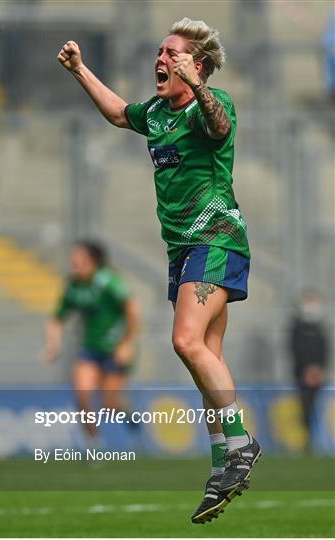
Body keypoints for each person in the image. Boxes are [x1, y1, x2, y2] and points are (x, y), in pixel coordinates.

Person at [58, 18, 261, 524]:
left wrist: (196, 82)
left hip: (214, 239)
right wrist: (82, 71)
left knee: (186, 342)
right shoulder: (157, 113)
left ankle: (241, 443)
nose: (162, 59)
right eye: (161, 51)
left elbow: (220, 127)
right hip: (183, 251)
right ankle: (223, 463)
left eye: (173, 53)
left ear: (197, 65)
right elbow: (118, 114)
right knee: (204, 355)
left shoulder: (211, 104)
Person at [44, 240, 140, 448]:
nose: (73, 263)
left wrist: (127, 344)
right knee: (82, 395)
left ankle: (126, 412)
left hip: (115, 348)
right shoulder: (73, 286)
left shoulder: (108, 281)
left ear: (92, 261)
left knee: (108, 404)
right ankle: (93, 443)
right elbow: (57, 319)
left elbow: (132, 311)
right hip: (90, 349)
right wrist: (53, 345)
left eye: (78, 259)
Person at [288, 291, 329, 452]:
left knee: (314, 407)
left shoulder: (320, 327)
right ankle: (305, 442)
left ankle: (313, 441)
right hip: (302, 374)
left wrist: (318, 370)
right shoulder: (297, 327)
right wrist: (306, 370)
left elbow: (325, 351)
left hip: (317, 376)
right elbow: (295, 349)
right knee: (304, 407)